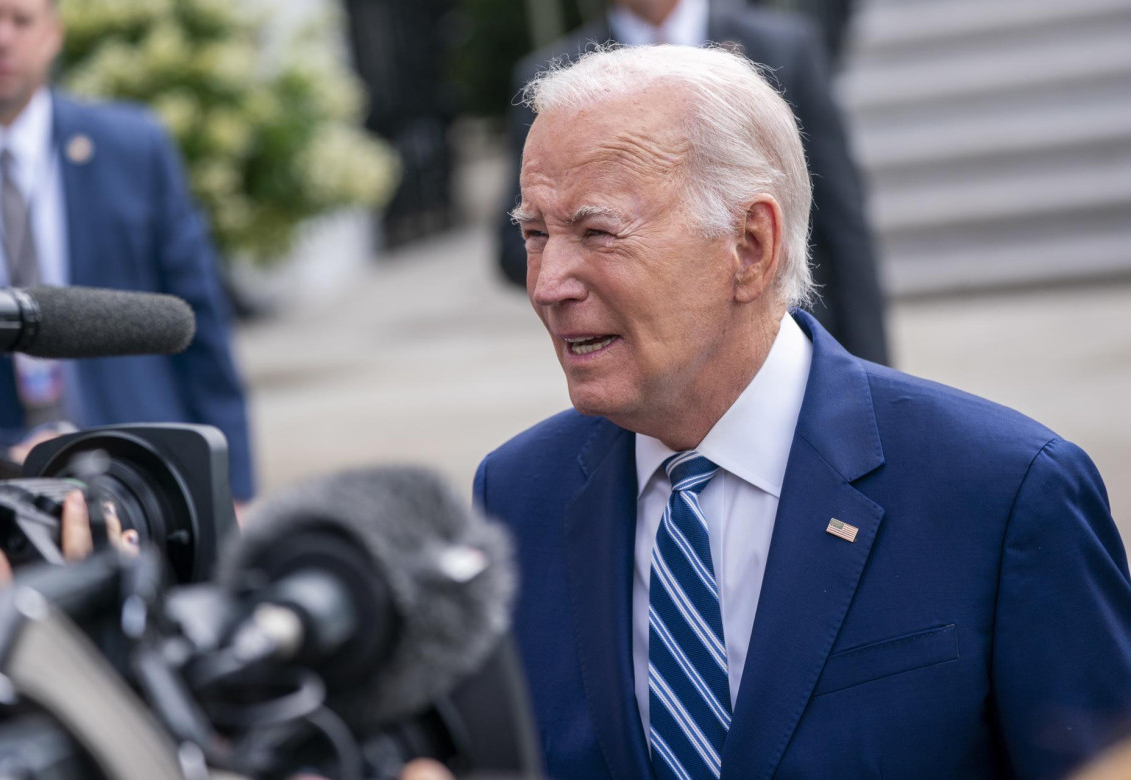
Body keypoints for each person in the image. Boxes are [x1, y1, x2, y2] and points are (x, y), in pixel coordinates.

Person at [473, 45, 1131, 779]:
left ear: (751, 245)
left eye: (597, 232)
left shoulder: (1004, 494)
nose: (550, 283)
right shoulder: (514, 496)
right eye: (535, 234)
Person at [0, 0, 255, 500]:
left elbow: (201, 324)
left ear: (52, 33)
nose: (3, 38)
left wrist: (237, 488)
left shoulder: (133, 146)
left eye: (21, 19)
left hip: (139, 480)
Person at [496, 0, 891, 365]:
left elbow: (842, 219)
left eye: (599, 230)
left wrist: (870, 369)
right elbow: (515, 239)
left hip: (786, 345)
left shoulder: (782, 47)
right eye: (542, 239)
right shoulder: (550, 74)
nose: (551, 287)